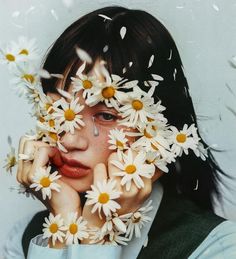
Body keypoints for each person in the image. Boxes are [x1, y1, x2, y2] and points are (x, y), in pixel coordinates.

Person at [3, 6, 236, 259]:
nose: (69, 139)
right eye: (59, 108)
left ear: (159, 132)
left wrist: (95, 235)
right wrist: (62, 228)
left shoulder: (216, 247)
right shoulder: (26, 239)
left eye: (106, 115)